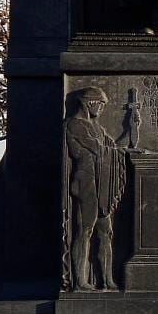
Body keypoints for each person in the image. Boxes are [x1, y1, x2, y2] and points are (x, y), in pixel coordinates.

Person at [65, 86, 127, 290]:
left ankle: (107, 280)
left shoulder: (98, 128)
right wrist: (115, 151)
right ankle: (80, 281)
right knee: (85, 230)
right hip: (86, 183)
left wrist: (130, 144)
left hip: (102, 184)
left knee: (106, 232)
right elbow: (98, 149)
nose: (101, 109)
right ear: (88, 103)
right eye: (99, 104)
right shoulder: (75, 125)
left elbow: (112, 147)